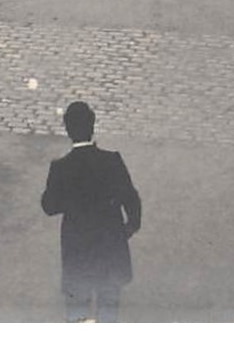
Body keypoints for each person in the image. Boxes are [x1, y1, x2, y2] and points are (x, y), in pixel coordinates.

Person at [41, 101, 142, 323]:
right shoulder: (112, 160)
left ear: (68, 130)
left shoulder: (60, 167)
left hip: (78, 250)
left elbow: (49, 206)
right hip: (110, 247)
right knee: (108, 310)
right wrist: (129, 228)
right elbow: (131, 199)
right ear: (93, 125)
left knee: (77, 310)